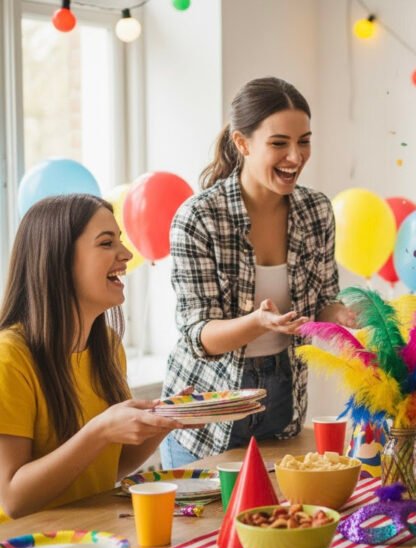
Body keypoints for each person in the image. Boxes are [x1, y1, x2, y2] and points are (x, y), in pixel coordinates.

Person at [161, 77, 354, 467]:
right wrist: (257, 323)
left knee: (283, 505)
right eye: (279, 143)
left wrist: (346, 317)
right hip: (205, 413)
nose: (295, 157)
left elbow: (324, 302)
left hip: (282, 398)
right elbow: (200, 336)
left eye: (304, 141)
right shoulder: (199, 217)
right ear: (242, 143)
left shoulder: (316, 210)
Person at [0, 194, 182, 522]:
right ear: (58, 260)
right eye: (106, 243)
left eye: (120, 240)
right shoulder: (8, 358)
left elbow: (111, 466)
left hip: (95, 535)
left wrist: (169, 419)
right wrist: (100, 430)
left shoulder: (107, 347)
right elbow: (14, 499)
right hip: (30, 546)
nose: (126, 254)